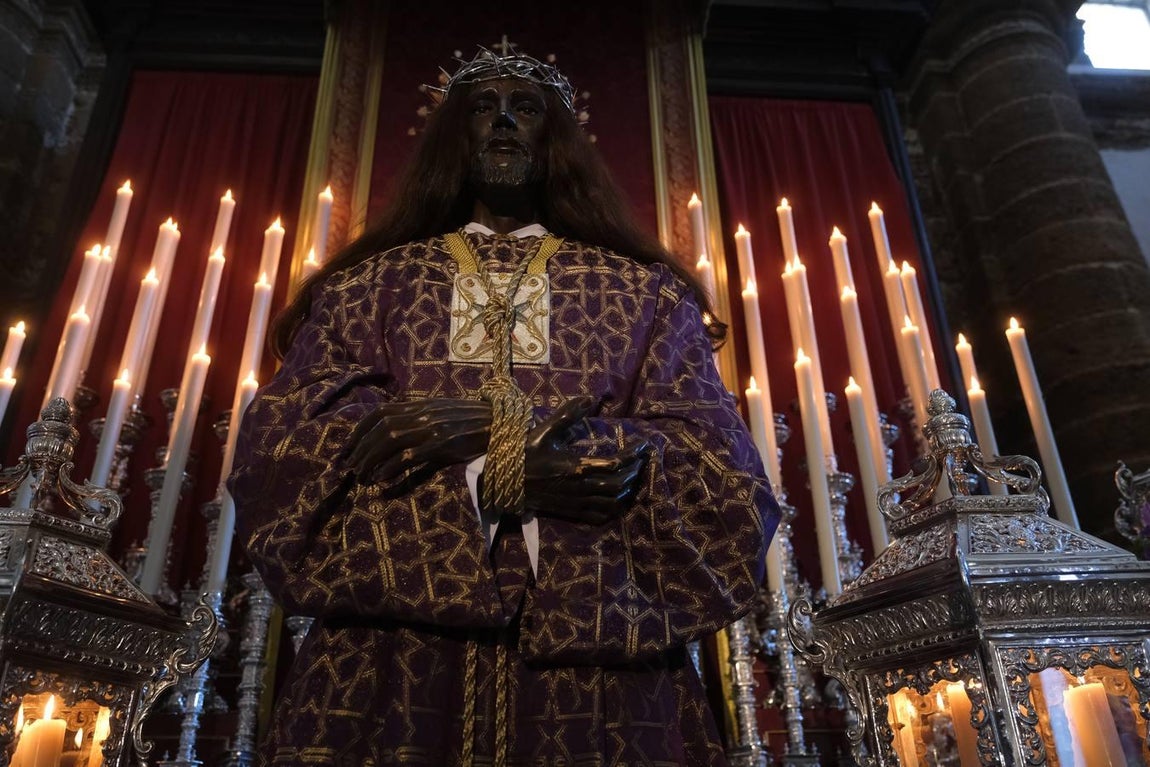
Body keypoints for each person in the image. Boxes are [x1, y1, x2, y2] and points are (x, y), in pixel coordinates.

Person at [229, 47, 778, 766]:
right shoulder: (369, 290)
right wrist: (487, 482)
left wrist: (501, 436)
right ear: (453, 135)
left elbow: (727, 486)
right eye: (483, 108)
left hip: (601, 681)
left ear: (559, 141)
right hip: (386, 675)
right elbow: (282, 459)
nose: (504, 123)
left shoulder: (644, 296)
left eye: (526, 109)